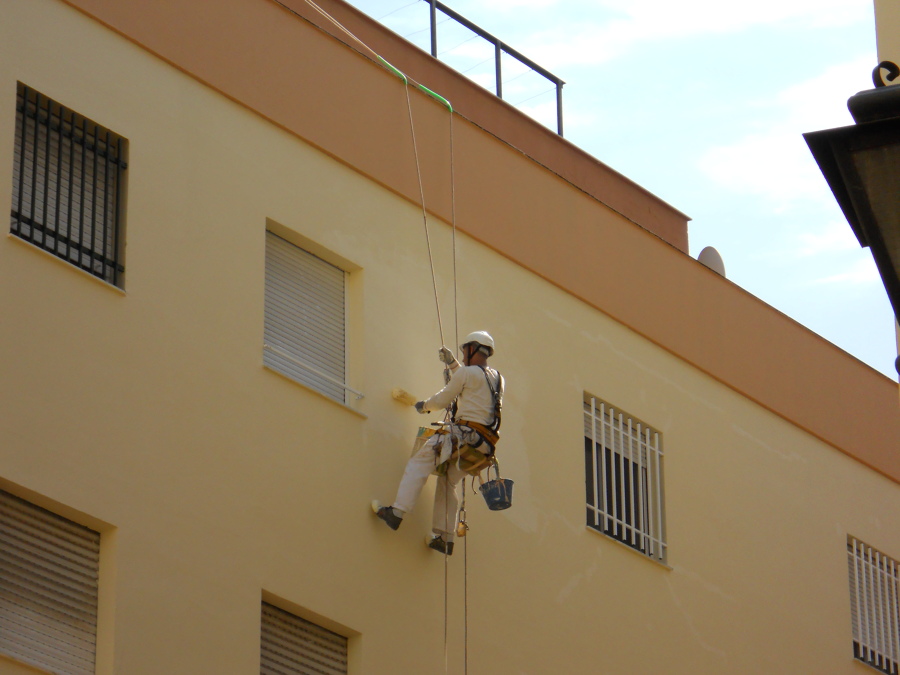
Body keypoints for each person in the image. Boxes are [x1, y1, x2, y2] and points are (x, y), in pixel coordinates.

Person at [374, 331, 504, 555]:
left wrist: (425, 406)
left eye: (465, 352)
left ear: (473, 348)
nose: (463, 356)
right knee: (447, 481)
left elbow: (445, 398)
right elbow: (471, 382)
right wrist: (453, 364)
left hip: (462, 435)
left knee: (419, 462)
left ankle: (397, 512)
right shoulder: (497, 378)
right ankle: (445, 538)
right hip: (483, 446)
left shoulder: (468, 373)